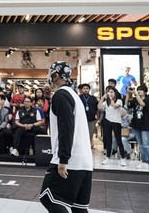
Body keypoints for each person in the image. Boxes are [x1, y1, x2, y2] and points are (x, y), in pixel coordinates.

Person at [39, 62, 93, 213]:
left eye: (50, 72)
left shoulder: (60, 95)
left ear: (56, 75)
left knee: (48, 198)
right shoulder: (74, 95)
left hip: (70, 159)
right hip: (85, 160)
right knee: (78, 208)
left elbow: (66, 128)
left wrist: (63, 159)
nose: (47, 75)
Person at [128, 85, 149, 171]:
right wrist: (129, 94)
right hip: (136, 125)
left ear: (145, 92)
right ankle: (144, 161)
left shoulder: (148, 100)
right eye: (138, 90)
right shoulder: (135, 99)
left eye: (141, 90)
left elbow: (143, 104)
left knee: (146, 145)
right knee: (140, 145)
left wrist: (136, 95)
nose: (139, 92)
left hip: (146, 125)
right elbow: (128, 104)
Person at [98, 86, 126, 166]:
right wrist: (103, 98)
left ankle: (123, 158)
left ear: (115, 93)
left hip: (116, 122)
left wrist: (111, 99)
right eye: (109, 92)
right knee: (108, 140)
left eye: (112, 92)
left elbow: (115, 106)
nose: (110, 93)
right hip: (107, 121)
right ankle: (107, 157)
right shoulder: (106, 102)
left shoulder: (119, 101)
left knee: (118, 140)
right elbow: (99, 107)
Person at [78, 83, 98, 148]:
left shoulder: (93, 98)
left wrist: (97, 116)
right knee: (82, 132)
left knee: (91, 132)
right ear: (82, 90)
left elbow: (97, 108)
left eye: (87, 88)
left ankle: (90, 144)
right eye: (84, 89)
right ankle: (83, 145)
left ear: (89, 89)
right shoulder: (79, 98)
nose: (85, 90)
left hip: (91, 118)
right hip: (81, 118)